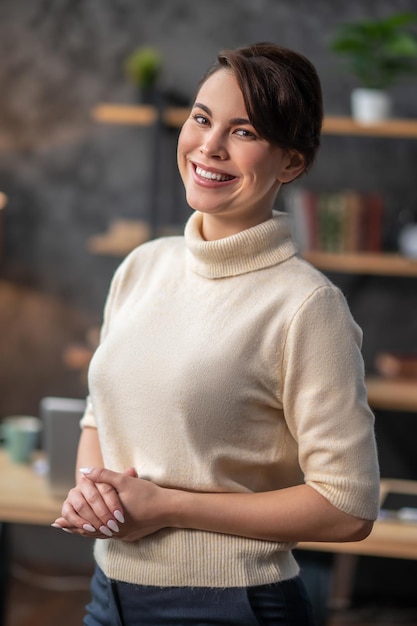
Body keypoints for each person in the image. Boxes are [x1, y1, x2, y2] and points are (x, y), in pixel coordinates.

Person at [52, 42, 380, 625]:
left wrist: (165, 508)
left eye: (245, 131)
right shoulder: (141, 267)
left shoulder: (307, 306)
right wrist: (95, 497)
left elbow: (348, 505)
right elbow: (99, 416)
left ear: (292, 163)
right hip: (111, 594)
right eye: (202, 119)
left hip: (232, 606)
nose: (209, 145)